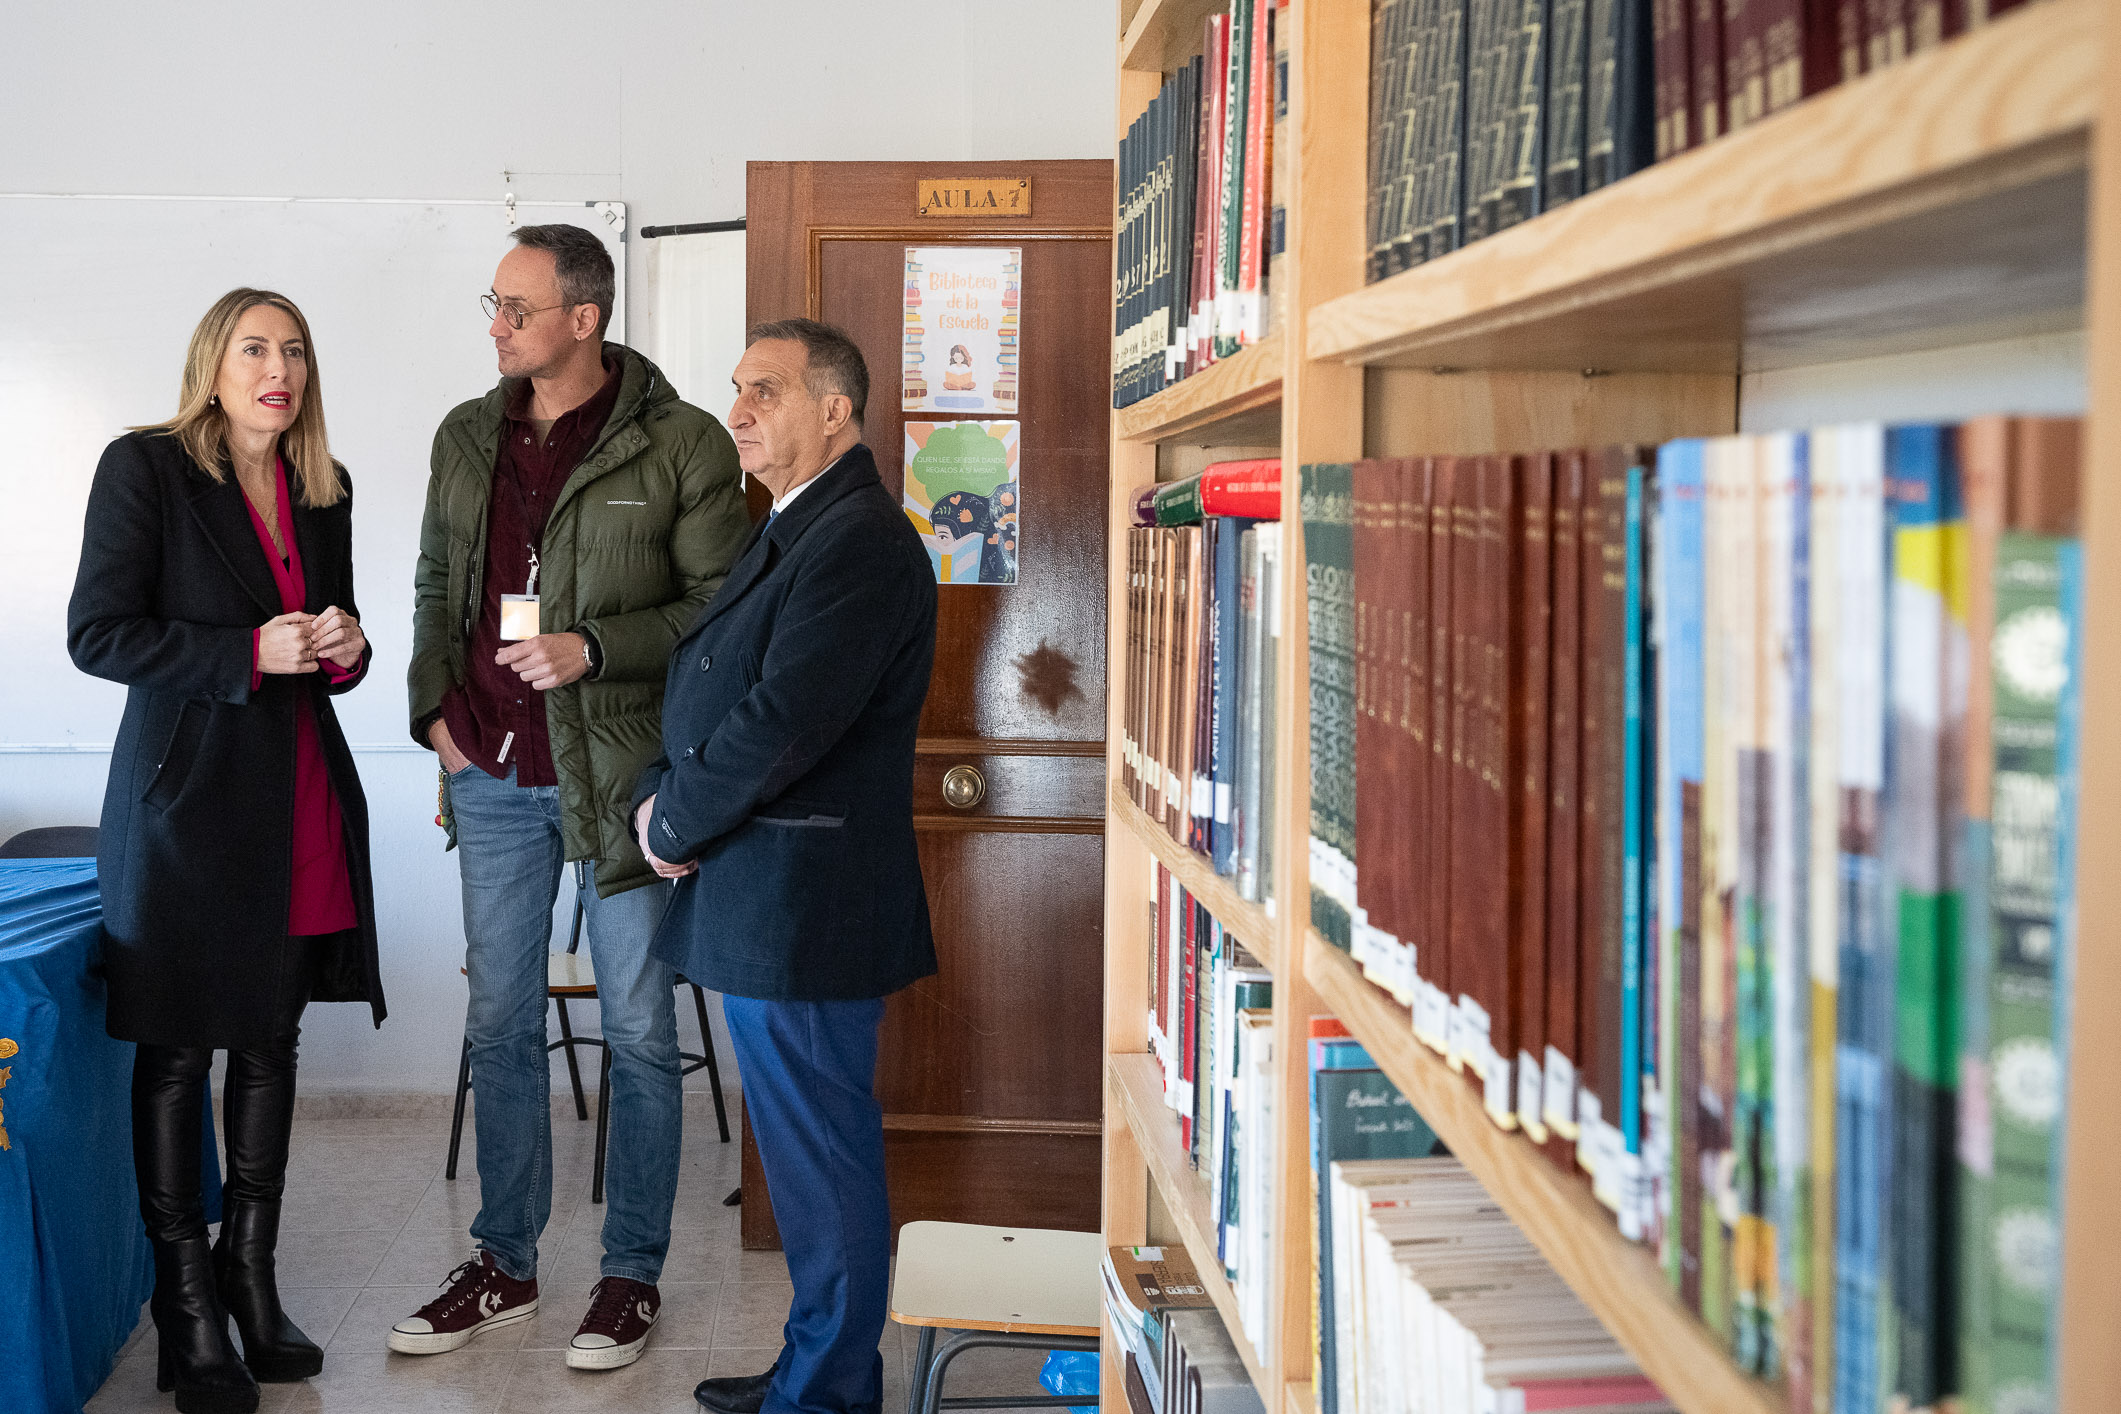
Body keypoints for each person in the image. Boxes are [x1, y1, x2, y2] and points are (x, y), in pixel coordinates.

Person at [394, 223, 748, 1371]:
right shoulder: (465, 434)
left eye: (515, 307)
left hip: (624, 779)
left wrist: (597, 647)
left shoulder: (680, 440)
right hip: (491, 775)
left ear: (583, 317)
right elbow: (438, 579)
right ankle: (504, 1263)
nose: (494, 325)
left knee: (639, 1033)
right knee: (500, 1023)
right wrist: (432, 712)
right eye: (490, 305)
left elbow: (724, 607)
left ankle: (630, 1275)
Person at [68, 287, 384, 1414]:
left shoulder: (322, 486)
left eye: (295, 348)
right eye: (255, 346)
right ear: (214, 363)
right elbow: (98, 634)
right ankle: (186, 1308)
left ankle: (252, 1279)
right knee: (175, 1052)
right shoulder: (145, 469)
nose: (278, 366)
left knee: (269, 1036)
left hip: (295, 798)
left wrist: (344, 645)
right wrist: (246, 652)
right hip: (186, 809)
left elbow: (329, 638)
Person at [632, 319, 938, 1414]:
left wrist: (673, 823)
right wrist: (666, 802)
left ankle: (830, 1392)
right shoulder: (804, 523)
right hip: (767, 891)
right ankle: (820, 1365)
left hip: (804, 903)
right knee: (805, 1159)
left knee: (824, 1153)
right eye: (736, 389)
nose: (739, 409)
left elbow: (782, 720)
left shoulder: (857, 537)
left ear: (837, 409)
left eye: (766, 389)